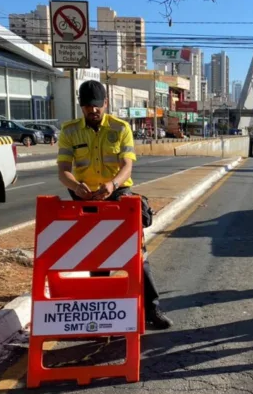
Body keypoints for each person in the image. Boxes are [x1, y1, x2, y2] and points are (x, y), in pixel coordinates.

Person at [56, 80, 173, 330]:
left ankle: (151, 308)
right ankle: (101, 312)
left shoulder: (121, 128)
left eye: (97, 106)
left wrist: (112, 184)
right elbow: (63, 170)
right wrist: (76, 186)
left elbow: (127, 165)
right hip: (85, 197)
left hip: (117, 194)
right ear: (81, 106)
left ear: (105, 104)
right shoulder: (69, 131)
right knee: (96, 255)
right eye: (88, 106)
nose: (93, 111)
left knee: (136, 254)